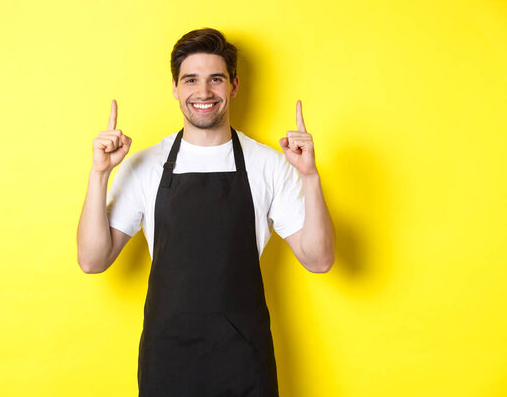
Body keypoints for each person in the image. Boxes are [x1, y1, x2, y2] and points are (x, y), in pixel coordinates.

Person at [77, 28, 335, 397]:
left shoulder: (269, 164)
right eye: (191, 80)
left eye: (216, 79)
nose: (203, 92)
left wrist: (310, 177)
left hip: (244, 362)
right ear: (175, 88)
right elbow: (92, 259)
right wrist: (99, 174)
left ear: (234, 86)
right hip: (167, 363)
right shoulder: (145, 165)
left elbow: (319, 260)